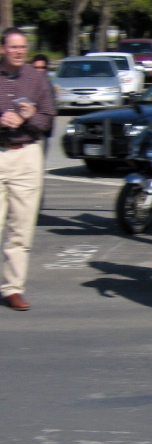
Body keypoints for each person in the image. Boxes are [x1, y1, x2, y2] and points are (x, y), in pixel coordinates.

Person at [0, 28, 55, 311]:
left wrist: (28, 118)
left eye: (23, 47)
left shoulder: (36, 78)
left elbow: (47, 120)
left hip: (26, 155)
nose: (19, 52)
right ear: (2, 49)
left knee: (20, 228)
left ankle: (12, 288)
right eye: (13, 47)